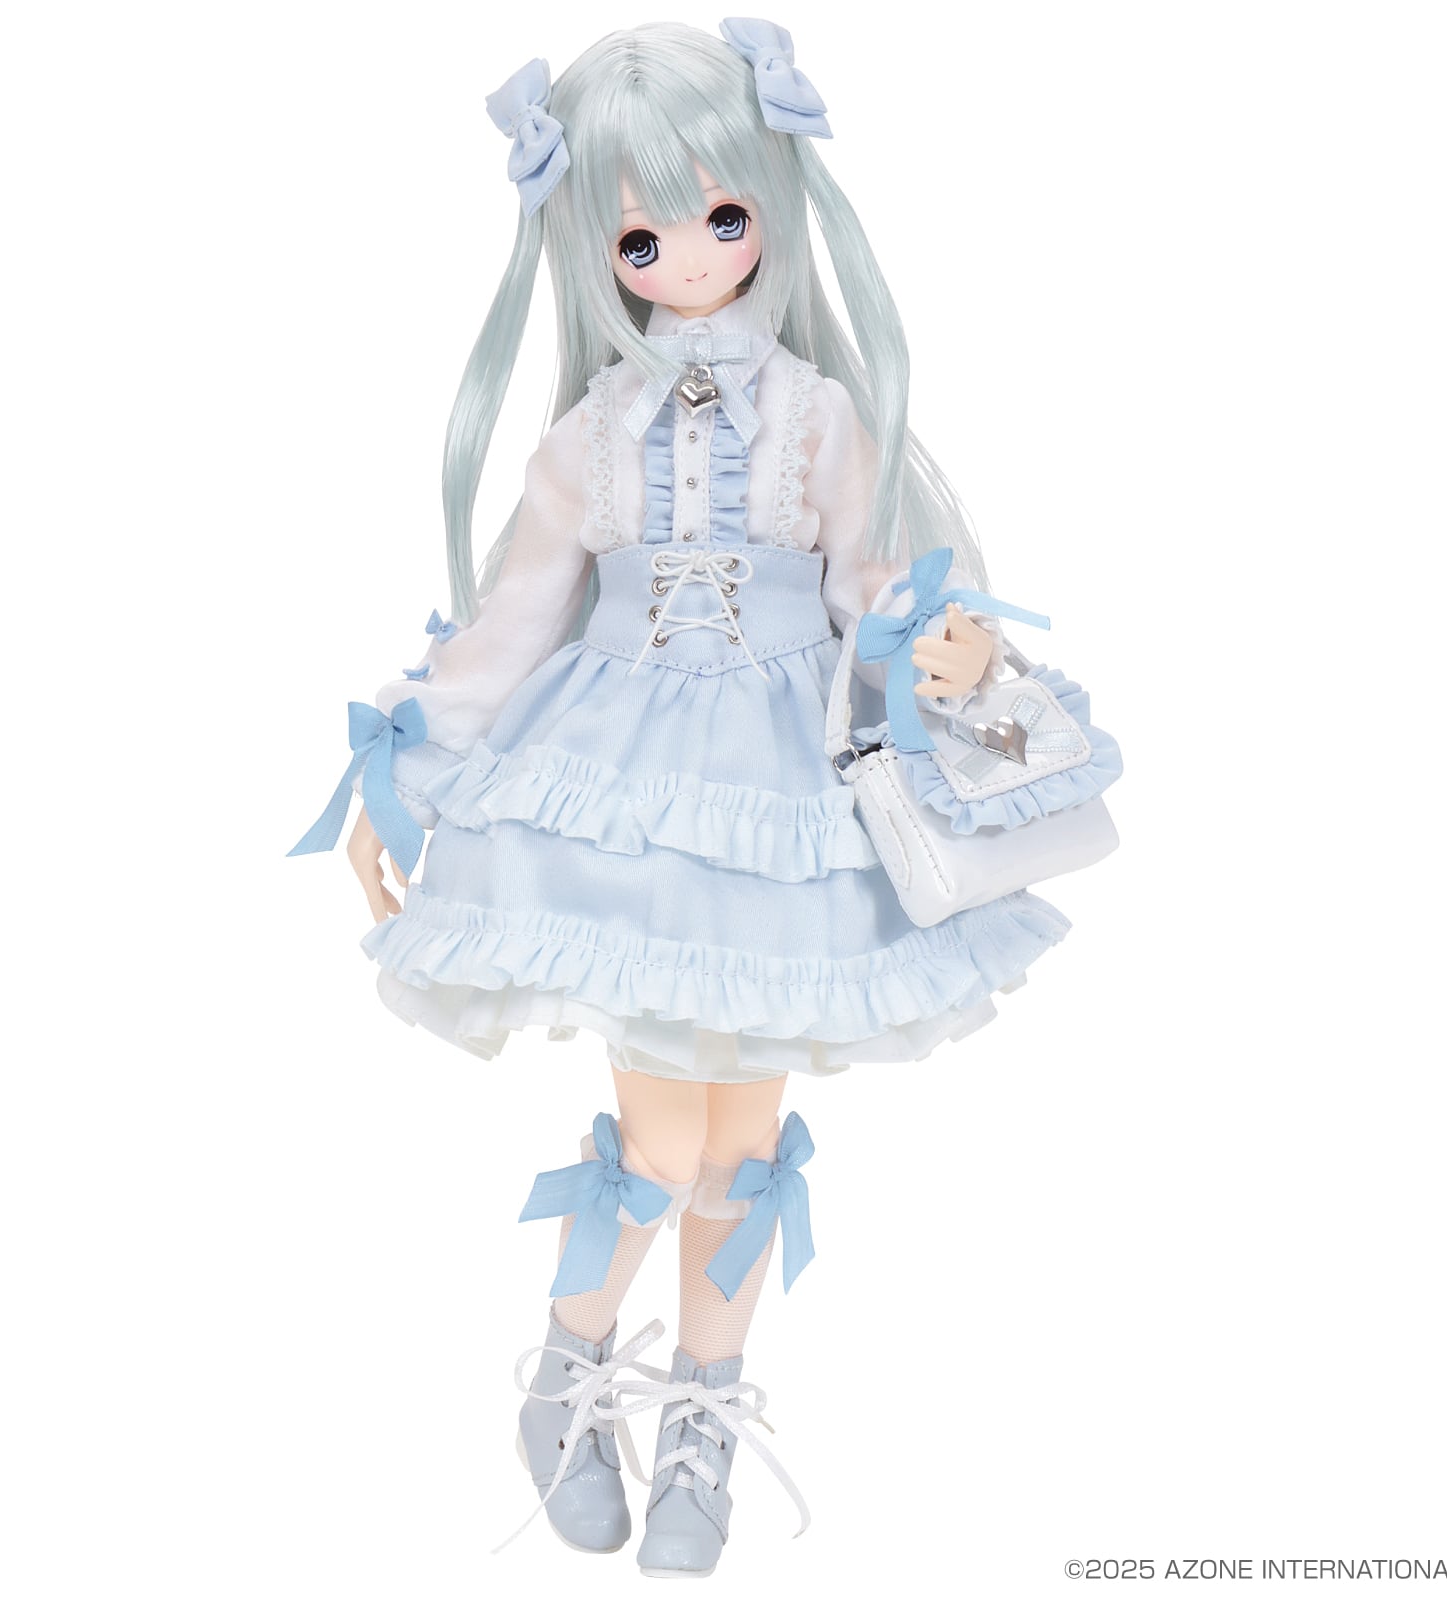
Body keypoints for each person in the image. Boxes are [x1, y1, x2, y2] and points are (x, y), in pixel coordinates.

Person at [292, 17, 1081, 1576]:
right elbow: (513, 622)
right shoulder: (588, 440)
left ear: (774, 210)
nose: (693, 257)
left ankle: (703, 1416)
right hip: (630, 802)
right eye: (642, 237)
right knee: (658, 1146)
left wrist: (939, 645)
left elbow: (867, 581)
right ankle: (570, 1370)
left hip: (782, 805)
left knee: (739, 1149)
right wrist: (407, 762)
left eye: (726, 216)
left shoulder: (821, 418)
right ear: (597, 254)